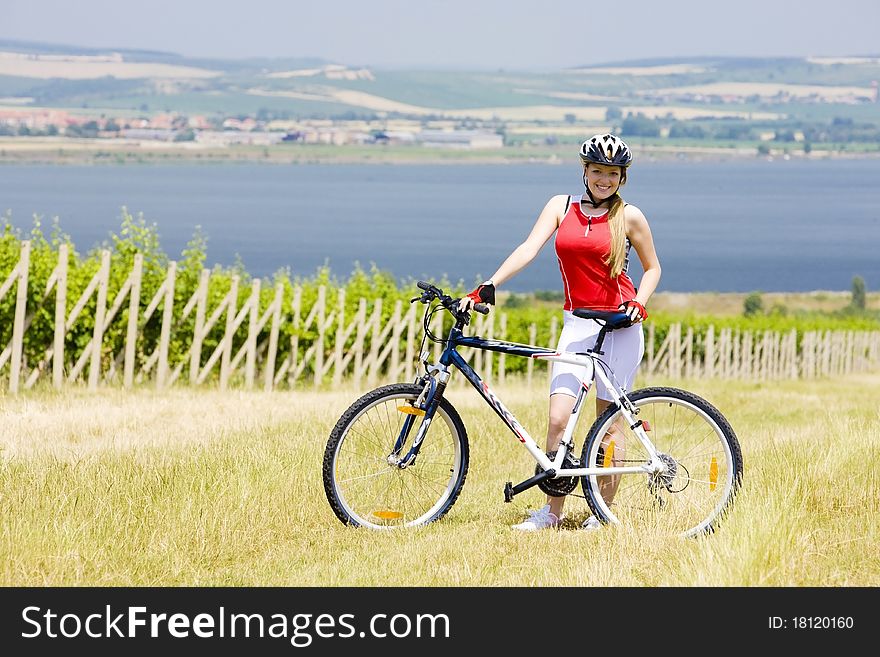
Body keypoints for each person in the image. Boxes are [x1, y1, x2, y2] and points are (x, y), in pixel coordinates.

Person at [458, 133, 661, 531]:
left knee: (609, 425)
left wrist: (639, 302)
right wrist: (490, 284)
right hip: (578, 323)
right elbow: (528, 248)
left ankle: (602, 514)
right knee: (557, 419)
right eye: (597, 170)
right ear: (584, 171)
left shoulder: (630, 216)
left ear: (623, 178)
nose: (604, 179)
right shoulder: (560, 206)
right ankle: (551, 513)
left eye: (612, 173)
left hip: (619, 327)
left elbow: (653, 267)